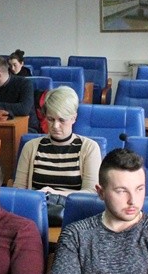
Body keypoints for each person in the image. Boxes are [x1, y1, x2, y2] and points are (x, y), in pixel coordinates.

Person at [14, 86, 102, 226]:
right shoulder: (31, 147)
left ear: (74, 118)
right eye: (50, 119)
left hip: (76, 219)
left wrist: (55, 194)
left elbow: (91, 193)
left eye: (62, 120)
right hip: (36, 218)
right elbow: (18, 190)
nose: (55, 126)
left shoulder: (89, 148)